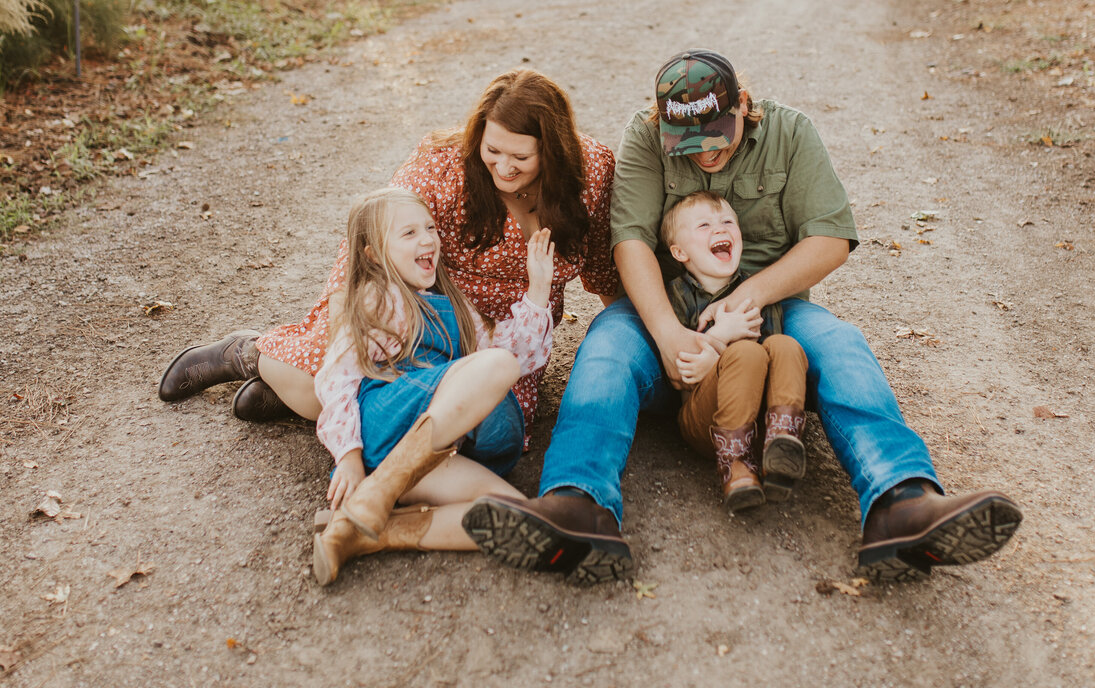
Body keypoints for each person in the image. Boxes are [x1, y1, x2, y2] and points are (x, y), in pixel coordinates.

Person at [464, 49, 1022, 583]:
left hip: (771, 311)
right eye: (688, 142)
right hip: (669, 308)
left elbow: (830, 239)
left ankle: (902, 502)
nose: (704, 154)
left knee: (840, 343)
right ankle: (576, 504)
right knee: (605, 346)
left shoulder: (790, 133)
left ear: (743, 103)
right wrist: (665, 334)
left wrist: (749, 295)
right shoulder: (646, 134)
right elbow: (630, 238)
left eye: (715, 136)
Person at [157, 70, 619, 447]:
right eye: (491, 150)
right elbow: (374, 235)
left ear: (554, 151)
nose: (502, 167)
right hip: (423, 311)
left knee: (471, 432)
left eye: (520, 156)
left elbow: (602, 264)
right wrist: (340, 320)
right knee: (341, 368)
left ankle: (289, 391)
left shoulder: (592, 170)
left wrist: (624, 342)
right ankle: (250, 354)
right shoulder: (443, 165)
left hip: (512, 335)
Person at [310, 187, 554, 585]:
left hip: (444, 455)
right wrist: (348, 456)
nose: (427, 239)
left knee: (521, 515)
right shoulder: (379, 297)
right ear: (373, 255)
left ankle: (361, 532)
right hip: (391, 420)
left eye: (429, 228)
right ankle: (378, 491)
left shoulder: (454, 303)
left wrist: (538, 288)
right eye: (408, 234)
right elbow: (337, 376)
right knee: (498, 363)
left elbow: (517, 357)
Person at [659, 189, 808, 512]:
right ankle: (735, 463)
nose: (720, 229)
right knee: (746, 353)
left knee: (785, 344)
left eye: (728, 221)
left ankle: (781, 440)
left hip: (761, 415)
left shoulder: (755, 292)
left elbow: (774, 360)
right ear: (680, 252)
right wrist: (718, 342)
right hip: (706, 419)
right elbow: (683, 371)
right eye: (704, 226)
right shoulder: (677, 296)